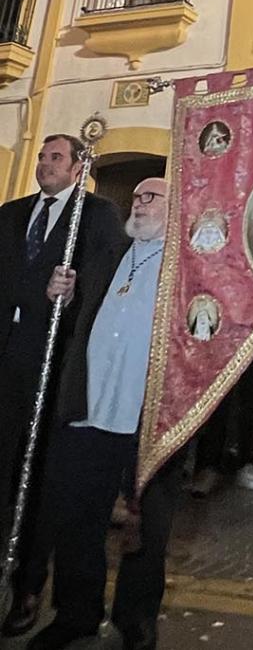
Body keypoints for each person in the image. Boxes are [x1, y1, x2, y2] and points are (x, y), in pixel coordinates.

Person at [27, 178, 182, 650]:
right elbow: (76, 317)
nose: (139, 202)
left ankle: (136, 619)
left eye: (151, 196)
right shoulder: (109, 255)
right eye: (136, 196)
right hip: (90, 403)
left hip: (150, 410)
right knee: (76, 514)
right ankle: (75, 613)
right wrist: (65, 296)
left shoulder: (185, 263)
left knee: (146, 525)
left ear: (174, 207)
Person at [0, 134, 125, 638]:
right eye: (42, 157)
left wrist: (73, 296)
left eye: (56, 157)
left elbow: (109, 279)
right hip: (6, 359)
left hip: (55, 365)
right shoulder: (10, 214)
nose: (45, 164)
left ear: (77, 167)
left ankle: (29, 584)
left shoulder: (96, 215)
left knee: (39, 481)